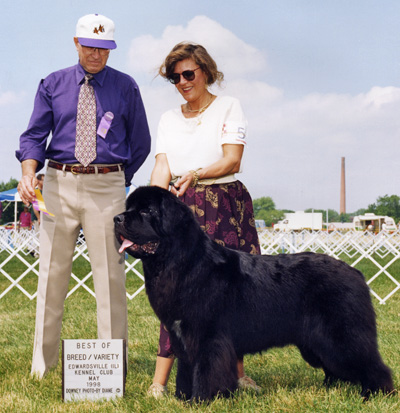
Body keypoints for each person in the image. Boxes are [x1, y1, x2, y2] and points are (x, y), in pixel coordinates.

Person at [16, 14, 151, 378]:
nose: (96, 54)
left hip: (107, 187)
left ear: (111, 49)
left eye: (104, 48)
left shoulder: (126, 87)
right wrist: (29, 171)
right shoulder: (52, 84)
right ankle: (41, 369)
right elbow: (33, 137)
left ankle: (112, 370)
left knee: (111, 279)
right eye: (90, 46)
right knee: (51, 277)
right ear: (76, 43)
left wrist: (118, 179)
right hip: (58, 184)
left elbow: (141, 143)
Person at [148, 42, 261, 398]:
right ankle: (158, 382)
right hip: (181, 211)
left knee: (232, 295)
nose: (181, 81)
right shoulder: (168, 118)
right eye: (174, 77)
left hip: (224, 206)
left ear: (206, 72)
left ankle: (238, 374)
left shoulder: (229, 106)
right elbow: (162, 167)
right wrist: (153, 206)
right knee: (173, 295)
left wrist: (196, 175)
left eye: (188, 74)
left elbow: (232, 160)